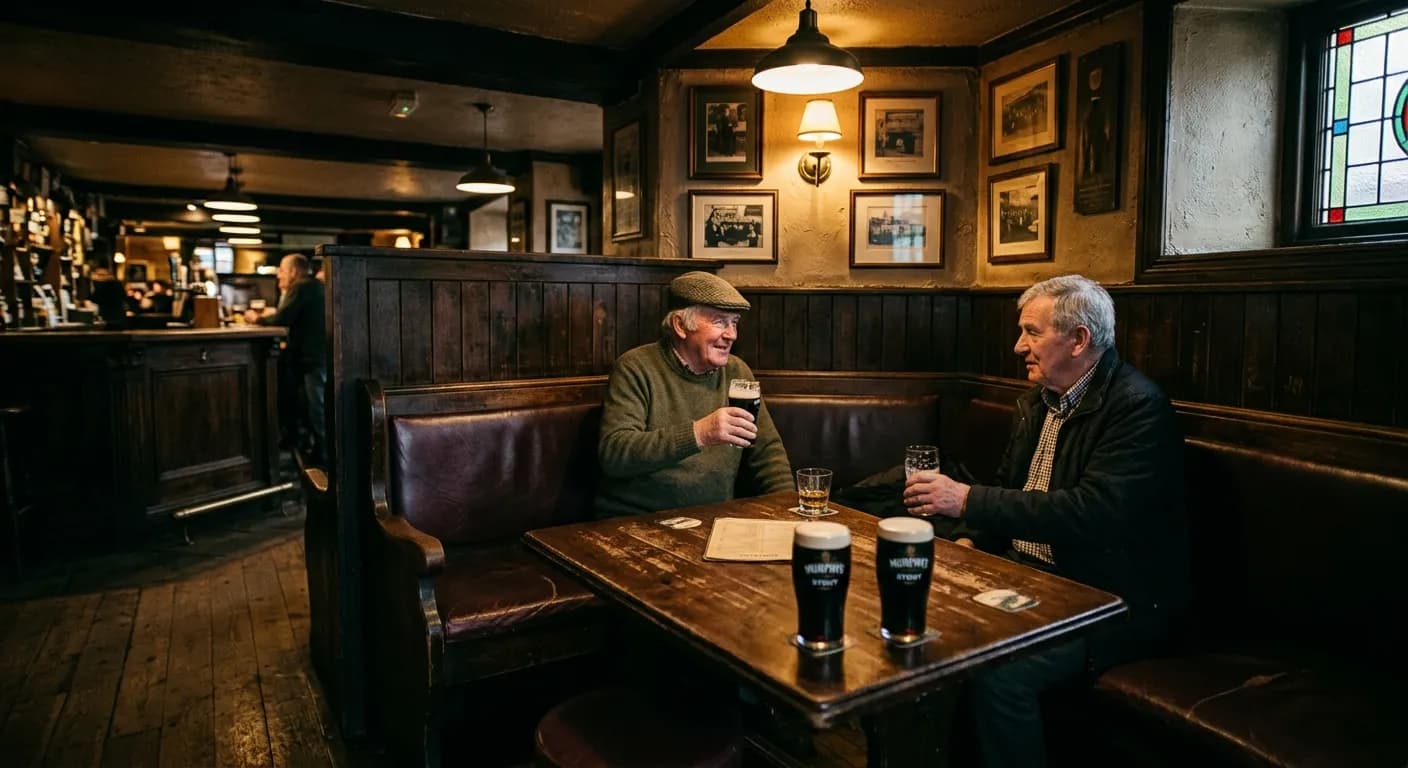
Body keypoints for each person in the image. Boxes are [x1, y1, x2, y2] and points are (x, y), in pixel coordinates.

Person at [902, 274, 1188, 768]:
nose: (1019, 346)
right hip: (1028, 574)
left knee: (1000, 673)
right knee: (919, 623)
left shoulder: (1137, 407)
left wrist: (966, 502)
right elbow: (1012, 489)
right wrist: (969, 543)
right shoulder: (1039, 400)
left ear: (1078, 339)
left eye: (1032, 332)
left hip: (1107, 600)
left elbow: (1093, 513)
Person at [594, 271, 792, 518]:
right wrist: (700, 433)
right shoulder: (636, 367)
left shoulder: (737, 371)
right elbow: (615, 453)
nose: (732, 334)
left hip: (713, 519)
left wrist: (788, 511)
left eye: (734, 322)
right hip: (638, 521)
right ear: (680, 325)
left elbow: (767, 455)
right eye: (720, 321)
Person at [245, 253, 327, 463]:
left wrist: (258, 318)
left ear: (293, 271)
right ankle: (316, 450)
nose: (279, 274)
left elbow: (283, 318)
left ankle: (324, 457)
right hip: (316, 355)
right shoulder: (313, 286)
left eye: (282, 269)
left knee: (316, 407)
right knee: (312, 405)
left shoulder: (301, 287)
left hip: (312, 358)